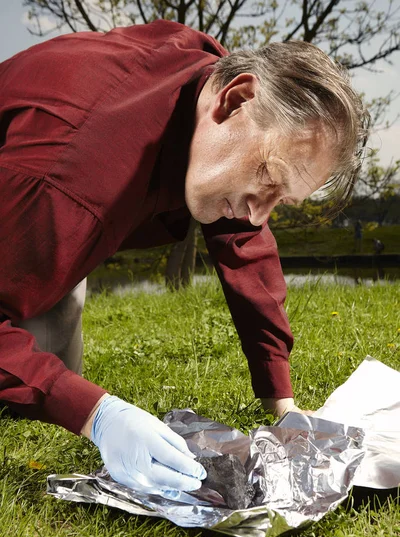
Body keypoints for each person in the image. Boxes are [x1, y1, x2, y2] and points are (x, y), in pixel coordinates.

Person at [0, 20, 369, 496]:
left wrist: (282, 401)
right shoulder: (60, 179)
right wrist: (97, 414)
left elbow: (243, 241)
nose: (259, 215)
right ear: (234, 100)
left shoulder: (213, 87)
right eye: (268, 178)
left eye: (281, 198)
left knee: (46, 360)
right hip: (33, 197)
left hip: (44, 211)